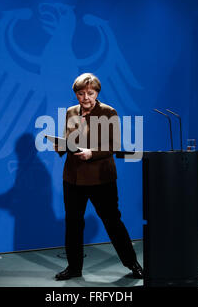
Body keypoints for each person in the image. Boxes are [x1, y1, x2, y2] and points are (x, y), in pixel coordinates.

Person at [53, 73, 143, 281]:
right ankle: (74, 268)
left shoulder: (108, 112)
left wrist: (91, 153)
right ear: (76, 94)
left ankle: (132, 264)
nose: (85, 98)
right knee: (73, 224)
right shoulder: (70, 112)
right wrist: (60, 146)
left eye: (90, 93)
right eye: (81, 93)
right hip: (73, 178)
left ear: (97, 93)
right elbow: (69, 139)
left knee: (113, 222)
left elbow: (115, 145)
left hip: (101, 178)